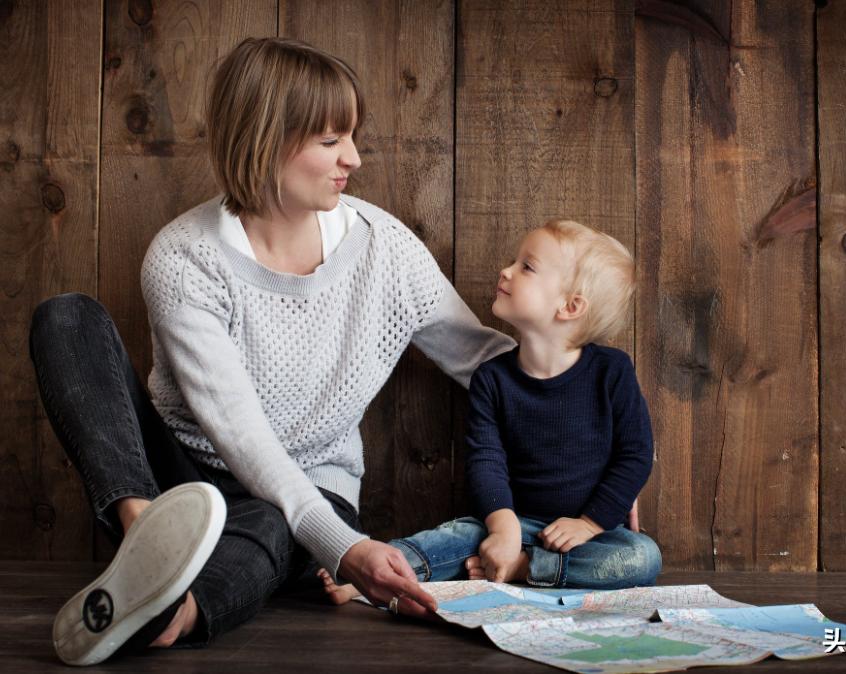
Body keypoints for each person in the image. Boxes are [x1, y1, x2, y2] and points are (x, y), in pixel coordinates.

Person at [28, 36, 516, 666]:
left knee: (268, 521)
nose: (355, 159)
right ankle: (146, 539)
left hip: (309, 491)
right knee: (66, 318)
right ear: (268, 138)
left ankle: (173, 611)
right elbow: (239, 433)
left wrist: (594, 430)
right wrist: (345, 551)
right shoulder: (184, 258)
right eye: (331, 140)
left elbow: (483, 360)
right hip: (177, 479)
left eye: (351, 137)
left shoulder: (384, 249)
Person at [321, 218, 660, 603]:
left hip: (588, 536)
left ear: (570, 306)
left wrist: (590, 523)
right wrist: (503, 528)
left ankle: (526, 569)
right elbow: (486, 460)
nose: (506, 270)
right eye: (515, 262)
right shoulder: (493, 379)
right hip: (514, 520)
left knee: (642, 558)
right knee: (454, 538)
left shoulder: (611, 372)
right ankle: (371, 575)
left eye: (526, 267)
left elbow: (634, 455)